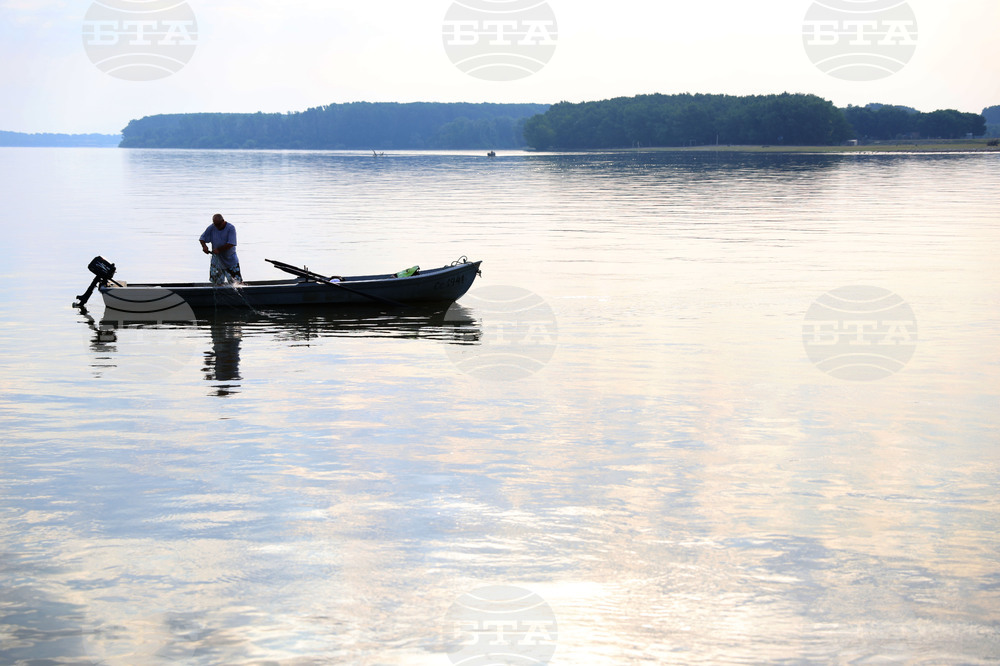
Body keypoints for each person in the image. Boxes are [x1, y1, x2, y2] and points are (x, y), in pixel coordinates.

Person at [199, 213, 242, 284]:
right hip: (217, 261)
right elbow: (202, 238)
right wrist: (204, 246)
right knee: (216, 282)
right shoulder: (212, 227)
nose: (217, 227)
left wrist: (219, 250)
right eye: (215, 225)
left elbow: (231, 243)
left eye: (218, 225)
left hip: (230, 260)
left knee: (237, 282)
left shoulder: (231, 228)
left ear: (223, 221)